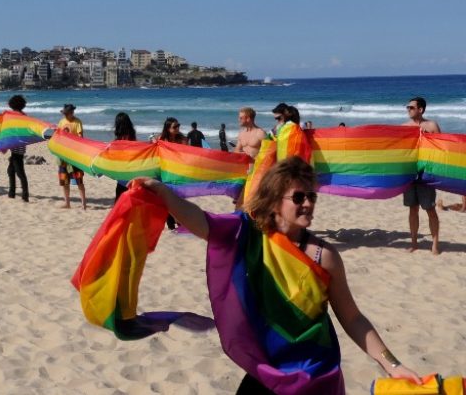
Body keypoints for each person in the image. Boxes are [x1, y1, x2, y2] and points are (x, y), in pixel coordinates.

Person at [132, 158, 422, 393]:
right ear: (274, 201)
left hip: (314, 377)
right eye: (298, 196)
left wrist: (392, 365)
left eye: (311, 196)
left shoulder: (325, 256)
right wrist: (163, 193)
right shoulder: (248, 237)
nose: (307, 203)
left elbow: (353, 318)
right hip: (267, 372)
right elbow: (201, 221)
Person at [403, 96, 441, 254]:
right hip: (410, 174)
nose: (408, 110)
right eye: (408, 107)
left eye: (411, 107)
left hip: (426, 174)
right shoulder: (404, 127)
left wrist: (427, 138)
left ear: (420, 109)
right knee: (413, 209)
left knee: (430, 209)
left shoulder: (431, 125)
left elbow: (442, 147)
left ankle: (435, 244)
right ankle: (414, 243)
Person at [57, 104, 87, 209]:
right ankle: (67, 203)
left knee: (79, 180)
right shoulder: (62, 122)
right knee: (64, 181)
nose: (65, 115)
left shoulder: (77, 122)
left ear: (72, 113)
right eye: (64, 113)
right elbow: (58, 135)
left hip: (74, 156)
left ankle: (83, 204)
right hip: (63, 156)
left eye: (66, 114)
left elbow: (80, 137)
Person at [112, 112, 137, 203]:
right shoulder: (131, 135)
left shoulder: (119, 139)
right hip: (131, 171)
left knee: (119, 202)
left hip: (122, 174)